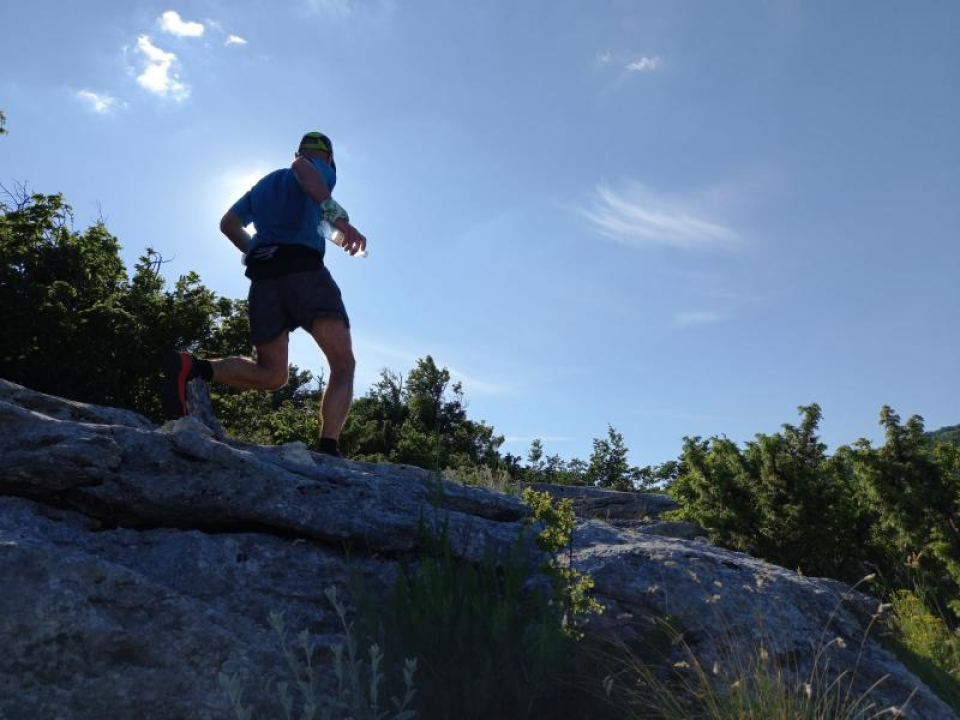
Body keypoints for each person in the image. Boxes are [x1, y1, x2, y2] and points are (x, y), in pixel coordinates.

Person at [160, 131, 367, 458]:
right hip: (305, 272)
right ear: (329, 158)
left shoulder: (263, 186)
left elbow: (228, 223)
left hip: (265, 279)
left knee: (272, 374)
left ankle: (194, 368)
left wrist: (255, 251)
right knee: (343, 364)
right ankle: (328, 448)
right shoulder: (319, 168)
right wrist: (339, 218)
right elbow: (303, 170)